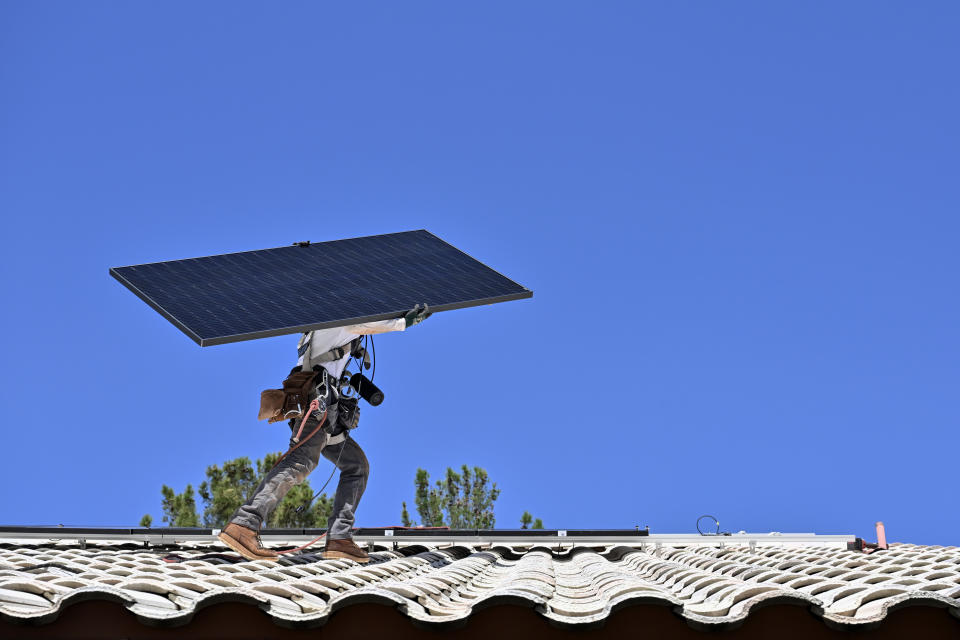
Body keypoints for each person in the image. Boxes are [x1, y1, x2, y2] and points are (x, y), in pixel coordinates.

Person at [218, 304, 431, 562]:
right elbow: (366, 324)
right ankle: (244, 524)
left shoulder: (325, 325)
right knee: (300, 461)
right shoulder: (339, 317)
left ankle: (339, 538)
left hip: (325, 403)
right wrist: (403, 323)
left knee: (356, 466)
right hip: (316, 401)